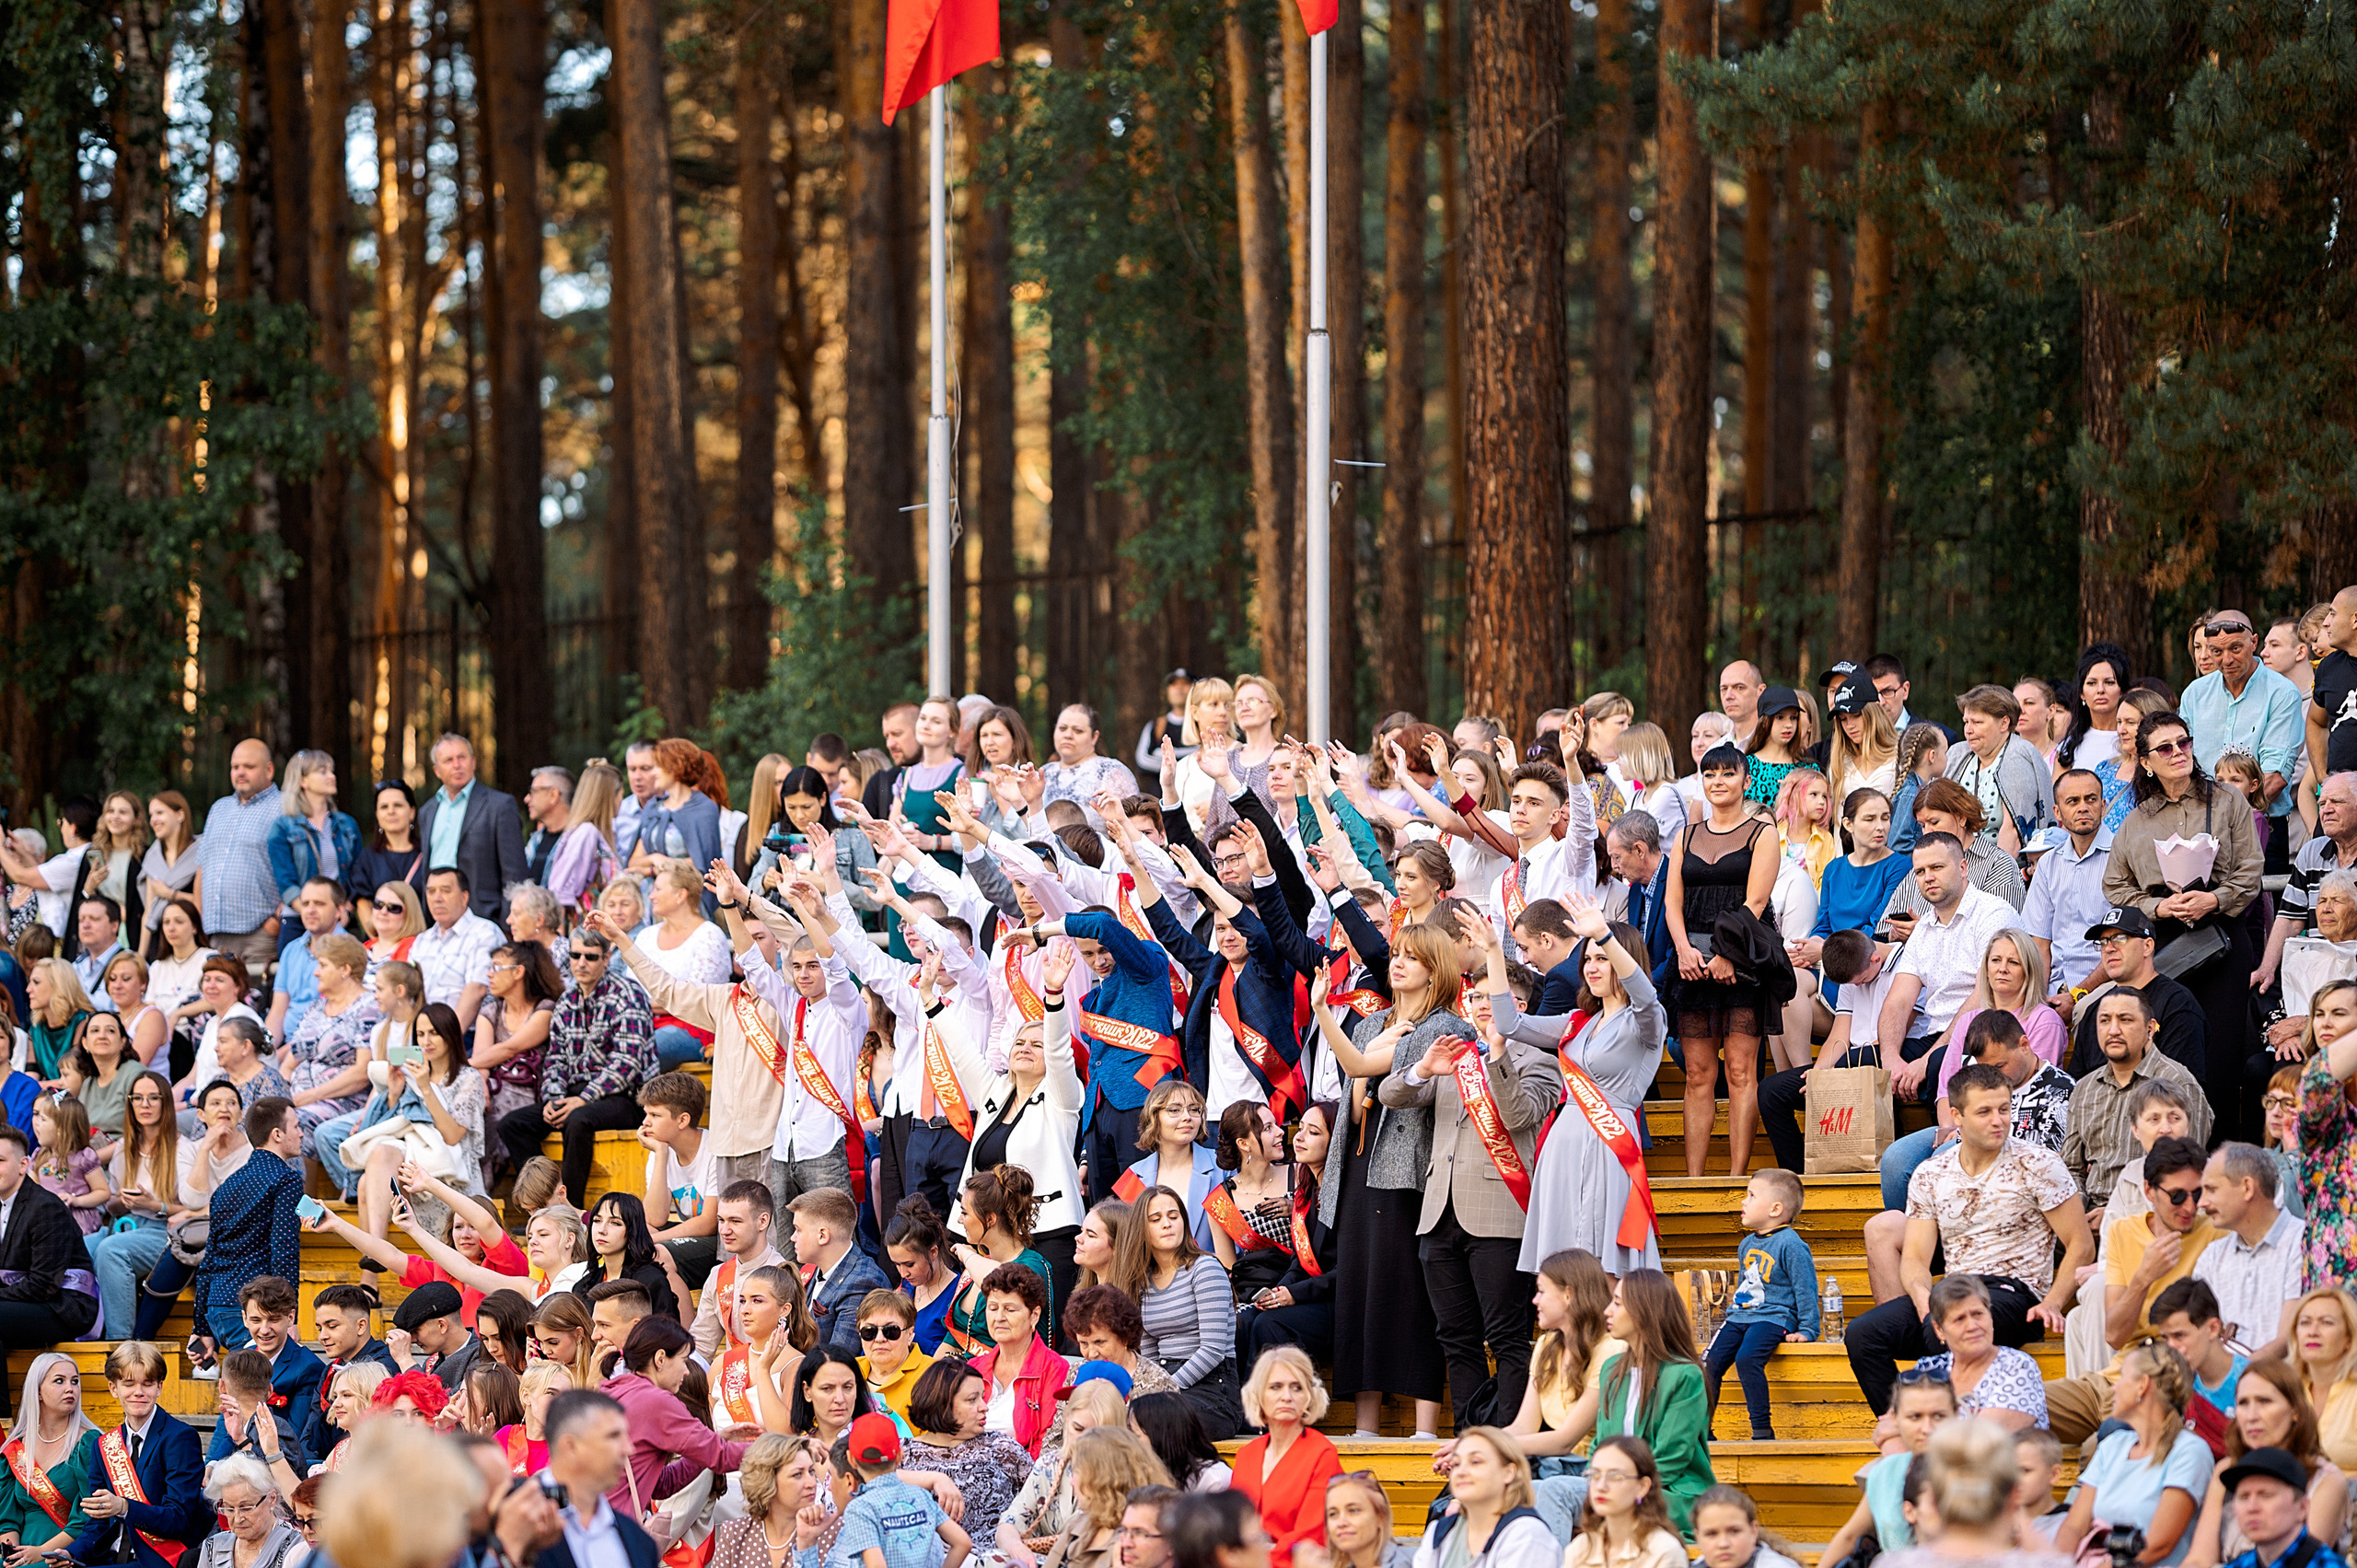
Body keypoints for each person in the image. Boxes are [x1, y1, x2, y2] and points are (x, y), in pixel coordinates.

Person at [1846, 1064, 2092, 1415]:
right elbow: (1915, 1257)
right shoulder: (1931, 1173)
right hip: (1956, 1289)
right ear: (1957, 1116)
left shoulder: (2039, 1163)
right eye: (1985, 1112)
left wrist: (2053, 1302)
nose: (1999, 1121)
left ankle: (1943, 1436)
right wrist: (1922, 1300)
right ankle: (1902, 1429)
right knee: (1863, 1335)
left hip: (2013, 1293)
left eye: (2005, 1109)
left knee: (1945, 1328)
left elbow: (2081, 1243)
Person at [1480, 896, 1662, 1278]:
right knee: (1562, 1269)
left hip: (1610, 1143)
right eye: (1589, 959)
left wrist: (1604, 935)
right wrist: (1496, 953)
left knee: (1606, 1265)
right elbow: (1511, 1025)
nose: (1592, 968)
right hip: (1564, 1143)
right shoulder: (1577, 1021)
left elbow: (1645, 994)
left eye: (1603, 958)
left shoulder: (1646, 1021)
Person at [2107, 710, 2267, 1139]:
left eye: (2184, 743)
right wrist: (2158, 908)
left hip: (2221, 935)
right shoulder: (2137, 818)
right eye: (2165, 748)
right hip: (2165, 940)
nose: (2178, 753)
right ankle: (2169, 1152)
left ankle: (2221, 1161)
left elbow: (2252, 870)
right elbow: (2114, 886)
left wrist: (2214, 898)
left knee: (2222, 1059)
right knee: (2170, 1047)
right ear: (2146, 761)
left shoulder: (2228, 801)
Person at [1663, 743, 1778, 1174]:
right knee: (1696, 1074)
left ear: (1746, 781)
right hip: (1690, 961)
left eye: (1727, 775)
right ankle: (1694, 1179)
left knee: (1742, 1072)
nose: (1718, 783)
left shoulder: (1761, 832)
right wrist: (1683, 950)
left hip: (1741, 961)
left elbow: (1757, 901)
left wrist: (1728, 955)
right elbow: (1673, 904)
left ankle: (1735, 1175)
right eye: (1709, 776)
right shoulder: (1685, 835)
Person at [497, 926, 658, 1209]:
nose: (581, 963)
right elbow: (556, 1058)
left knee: (578, 1119)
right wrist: (554, 1098)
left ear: (607, 959)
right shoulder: (567, 1000)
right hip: (576, 1094)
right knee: (513, 1124)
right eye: (575, 955)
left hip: (627, 1098)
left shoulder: (627, 994)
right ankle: (543, 1202)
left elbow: (627, 1063)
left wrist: (583, 1099)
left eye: (591, 957)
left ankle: (570, 1209)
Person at [1878, 834, 2023, 1103]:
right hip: (1935, 1036)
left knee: (1938, 1064)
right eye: (1920, 871)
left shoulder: (1993, 915)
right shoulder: (1922, 929)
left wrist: (1925, 1059)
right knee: (1861, 1063)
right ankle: (1884, 1144)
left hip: (1984, 1035)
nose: (1928, 877)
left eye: (1937, 867)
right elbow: (1898, 1001)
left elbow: (1985, 996)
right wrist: (1890, 1059)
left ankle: (1947, 1141)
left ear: (1963, 868)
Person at [2056, 1342, 2216, 1568]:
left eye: (2122, 1377)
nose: (2114, 1387)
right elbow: (2074, 1525)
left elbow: (2159, 1545)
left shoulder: (2190, 1451)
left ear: (2142, 1385)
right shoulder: (2112, 1446)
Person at [2184, 1361, 2349, 1568]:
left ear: (2295, 1411)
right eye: (2243, 1403)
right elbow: (2199, 1559)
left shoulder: (2326, 1479)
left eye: (2264, 1401)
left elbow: (2299, 1558)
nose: (2252, 1416)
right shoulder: (2226, 1471)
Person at [2066, 985, 2215, 1213]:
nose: (2113, 1030)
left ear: (2150, 1028)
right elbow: (2072, 1168)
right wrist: (2077, 1216)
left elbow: (2188, 1173)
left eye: (2125, 1020)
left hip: (2153, 1216)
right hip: (2088, 1215)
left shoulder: (2178, 1083)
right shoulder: (2085, 1088)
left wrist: (2114, 1213)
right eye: (2105, 1021)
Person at [63, 1341, 210, 1568]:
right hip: (108, 1558)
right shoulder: (103, 1445)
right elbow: (96, 1523)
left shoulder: (180, 1438)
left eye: (147, 1383)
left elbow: (180, 1519)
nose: (138, 1392)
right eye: (129, 1384)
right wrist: (72, 1554)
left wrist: (125, 1507)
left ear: (159, 1387)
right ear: (114, 1388)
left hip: (158, 1560)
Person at [186, 1100, 303, 1374]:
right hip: (257, 1310)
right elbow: (284, 1250)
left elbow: (209, 1261)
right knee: (257, 1396)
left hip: (218, 1308)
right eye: (296, 1127)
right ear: (277, 1134)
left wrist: (202, 1327)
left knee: (243, 1393)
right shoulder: (286, 1179)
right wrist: (287, 1315)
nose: (301, 1134)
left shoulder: (227, 1187)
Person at [1702, 1169, 1817, 1442]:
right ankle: (1701, 1431)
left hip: (1774, 1318)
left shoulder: (1791, 1245)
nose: (1744, 1202)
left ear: (1776, 1209)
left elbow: (1806, 1289)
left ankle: (1762, 1431)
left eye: (1751, 1196)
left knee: (1747, 1359)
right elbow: (1746, 1286)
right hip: (1740, 1315)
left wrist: (1808, 1329)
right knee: (1709, 1363)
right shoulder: (1746, 1244)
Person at [603, 1316, 749, 1517]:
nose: (687, 1371)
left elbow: (661, 1484)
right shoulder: (657, 1401)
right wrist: (783, 1447)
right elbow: (722, 1456)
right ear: (660, 1359)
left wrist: (708, 1448)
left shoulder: (614, 1390)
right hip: (616, 1526)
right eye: (683, 1360)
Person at [2183, 611, 2306, 846]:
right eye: (2217, 652)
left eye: (2235, 649)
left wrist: (2225, 822)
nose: (2226, 660)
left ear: (2254, 642)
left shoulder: (2282, 693)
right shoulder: (2194, 694)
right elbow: (2183, 763)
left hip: (2261, 827)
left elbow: (2275, 777)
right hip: (2200, 829)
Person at [0, 1125, 97, 1405]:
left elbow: (44, 1285)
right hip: (23, 1300)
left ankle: (2, 1420)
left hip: (64, 1305)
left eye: (1, 1160)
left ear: (23, 1165)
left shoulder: (45, 1207)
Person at [899, 1356, 1035, 1545]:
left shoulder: (1001, 1448)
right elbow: (864, 1480)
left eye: (983, 1397)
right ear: (942, 1403)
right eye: (972, 1400)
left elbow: (1042, 1498)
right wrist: (935, 1479)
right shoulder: (903, 1453)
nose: (984, 1407)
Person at [1821, 1374, 1955, 1563]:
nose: (1927, 1428)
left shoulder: (1979, 1471)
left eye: (1939, 1416)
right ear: (1894, 1418)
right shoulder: (1887, 1472)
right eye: (1915, 1417)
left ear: (1956, 1414)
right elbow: (1849, 1537)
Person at [2065, 908, 2212, 1082]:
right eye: (2103, 941)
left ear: (2147, 946)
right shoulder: (2094, 1010)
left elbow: (2180, 1092)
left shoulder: (2177, 1005)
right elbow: (2077, 1087)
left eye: (2120, 939)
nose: (2108, 949)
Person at [2193, 1144, 2306, 1360]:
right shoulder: (2213, 1256)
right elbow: (2196, 1336)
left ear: (2247, 1188)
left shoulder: (2301, 1243)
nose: (2201, 1203)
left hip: (2282, 1387)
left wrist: (2234, 1378)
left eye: (2212, 1189)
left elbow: (2287, 1341)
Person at [528, 1389, 663, 1568]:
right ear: (571, 1447)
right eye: (613, 1436)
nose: (628, 1449)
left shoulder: (638, 1541)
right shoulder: (517, 1521)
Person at [1229, 1349, 1341, 1562]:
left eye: (1297, 1388)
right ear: (1259, 1395)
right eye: (1276, 1387)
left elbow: (1310, 1538)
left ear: (1309, 1396)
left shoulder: (1322, 1454)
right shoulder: (1246, 1455)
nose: (1286, 1397)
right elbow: (1230, 1525)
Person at [1904, 1274, 2049, 1432]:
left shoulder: (2016, 1366)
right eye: (1959, 1319)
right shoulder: (1928, 1369)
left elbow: (1982, 1438)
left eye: (1978, 1314)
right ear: (1939, 1330)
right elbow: (1892, 1430)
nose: (1972, 1326)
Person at [836, 1411, 973, 1568]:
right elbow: (963, 1543)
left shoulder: (860, 1508)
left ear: (851, 1460)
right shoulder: (921, 1495)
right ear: (900, 1456)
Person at [2023, 769, 2116, 999]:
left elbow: (2122, 946)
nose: (2082, 807)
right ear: (2058, 812)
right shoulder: (2047, 865)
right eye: (2072, 801)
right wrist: (2039, 1003)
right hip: (2053, 990)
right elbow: (2040, 944)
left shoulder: (2121, 857)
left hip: (2105, 991)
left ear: (2103, 806)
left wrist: (2077, 995)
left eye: (2090, 799)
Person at [416, 735, 529, 923]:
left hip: (484, 917)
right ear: (437, 771)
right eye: (448, 760)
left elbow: (515, 874)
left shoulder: (499, 806)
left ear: (474, 762)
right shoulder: (427, 811)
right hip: (436, 920)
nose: (457, 765)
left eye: (462, 758)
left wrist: (508, 924)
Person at [1406, 1427, 1556, 1568]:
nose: (1461, 1472)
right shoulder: (1438, 1531)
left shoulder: (1528, 1535)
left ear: (1508, 1472)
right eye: (1457, 1464)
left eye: (1476, 1462)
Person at [192, 740, 283, 972]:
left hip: (259, 934)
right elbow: (203, 866)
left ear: (269, 770)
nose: (240, 772)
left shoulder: (285, 807)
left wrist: (274, 922)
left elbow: (301, 870)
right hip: (215, 933)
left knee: (258, 1000)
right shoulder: (219, 808)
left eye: (249, 766)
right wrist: (198, 920)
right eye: (235, 767)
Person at [0, 1352, 99, 1561]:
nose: (70, 1388)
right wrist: (10, 1555)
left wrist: (39, 1554)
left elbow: (88, 1518)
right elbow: (6, 1518)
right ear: (38, 1392)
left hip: (66, 1554)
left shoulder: (89, 1443)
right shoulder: (15, 1448)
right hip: (20, 1554)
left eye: (74, 1381)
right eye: (59, 1381)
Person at [473, 937, 561, 1164]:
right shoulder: (490, 1012)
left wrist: (465, 1065)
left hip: (532, 1096)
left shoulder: (545, 1009)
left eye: (496, 967)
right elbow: (480, 1060)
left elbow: (509, 1048)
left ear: (518, 972)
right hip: (496, 1094)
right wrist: (480, 1080)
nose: (489, 974)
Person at [1946, 684, 2058, 855]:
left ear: (2004, 723)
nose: (1968, 730)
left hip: (2003, 869)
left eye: (1977, 722)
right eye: (1966, 722)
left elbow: (2013, 832)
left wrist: (1989, 878)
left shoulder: (2018, 756)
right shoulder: (1957, 753)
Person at [2296, 979, 2357, 1287]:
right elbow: (2322, 1078)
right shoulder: (2312, 1089)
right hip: (2337, 1270)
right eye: (2319, 1014)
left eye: (2339, 1013)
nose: (2325, 1022)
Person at [692, 1180, 789, 1358]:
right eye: (721, 1220)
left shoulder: (784, 1275)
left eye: (735, 1221)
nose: (724, 1230)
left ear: (763, 1221)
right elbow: (701, 1347)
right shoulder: (718, 1275)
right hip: (732, 1378)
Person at [791, 1187, 893, 1352]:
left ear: (822, 1235)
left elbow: (838, 1360)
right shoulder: (815, 1268)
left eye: (798, 1230)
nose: (792, 1237)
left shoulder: (863, 1283)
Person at [412, 867, 505, 1029]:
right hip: (424, 1035)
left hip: (467, 1034)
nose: (437, 898)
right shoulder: (422, 940)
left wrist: (448, 1039)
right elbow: (409, 994)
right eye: (431, 892)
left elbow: (477, 990)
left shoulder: (484, 932)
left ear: (464, 897)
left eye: (445, 891)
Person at [1320, 1473, 1412, 1568]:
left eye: (1353, 1510)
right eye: (1333, 1514)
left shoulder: (1418, 1561)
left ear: (1381, 1516)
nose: (1341, 1523)